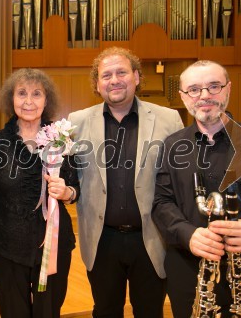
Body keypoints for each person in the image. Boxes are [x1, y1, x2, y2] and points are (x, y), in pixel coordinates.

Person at [151, 60, 241, 318]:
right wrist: (187, 234)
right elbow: (161, 203)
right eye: (194, 89)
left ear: (228, 89)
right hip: (187, 270)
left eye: (213, 86)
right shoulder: (172, 146)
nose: (204, 95)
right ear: (184, 97)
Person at [67, 47, 184, 317]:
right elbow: (68, 175)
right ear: (97, 83)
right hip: (101, 240)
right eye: (106, 75)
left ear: (137, 77)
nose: (114, 79)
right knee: (106, 311)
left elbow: (185, 174)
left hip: (152, 238)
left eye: (121, 72)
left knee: (150, 311)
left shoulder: (169, 120)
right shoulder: (76, 122)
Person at [0, 68, 79, 318]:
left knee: (49, 313)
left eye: (36, 94)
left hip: (53, 247)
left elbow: (77, 189)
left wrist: (66, 192)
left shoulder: (61, 139)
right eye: (21, 93)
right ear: (11, 99)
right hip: (6, 248)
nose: (29, 101)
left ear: (47, 100)